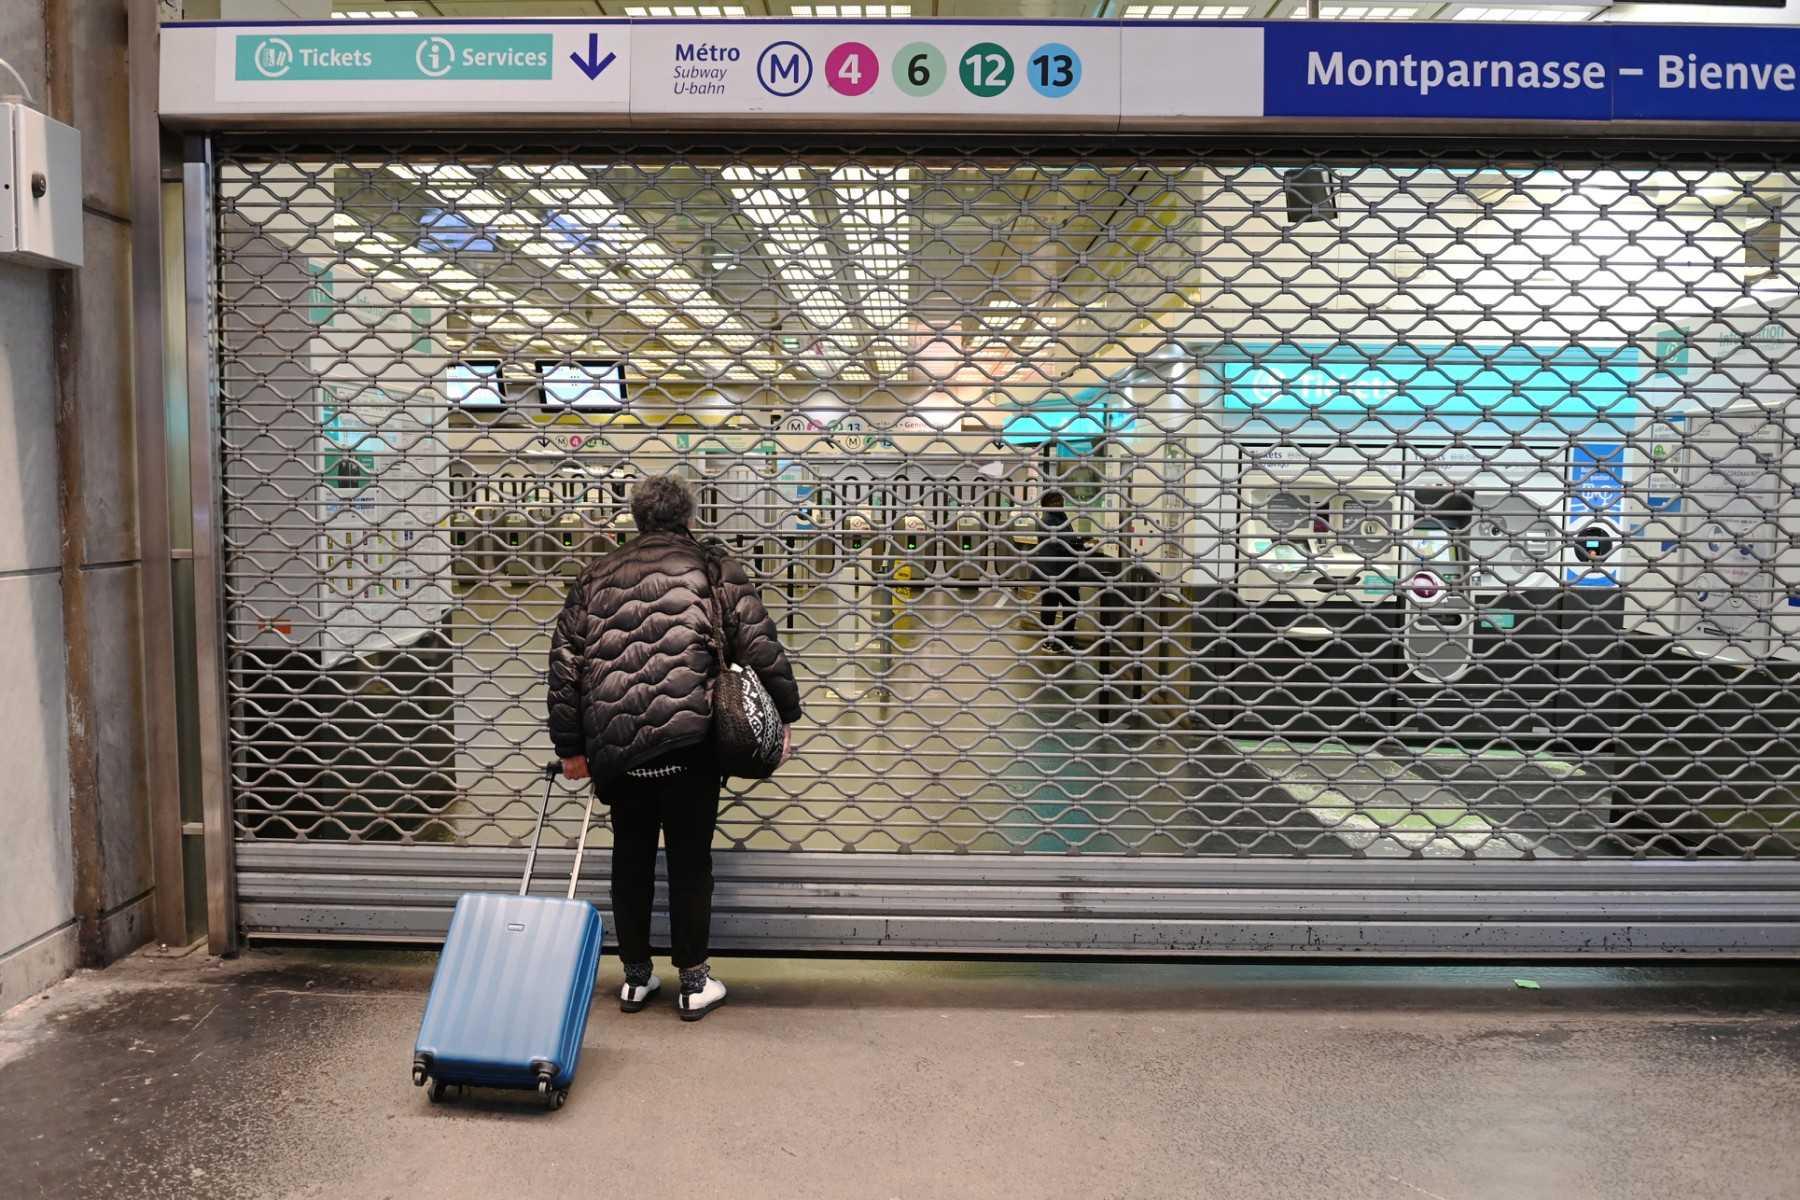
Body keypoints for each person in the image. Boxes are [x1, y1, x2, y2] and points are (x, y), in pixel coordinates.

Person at [547, 475, 802, 1021]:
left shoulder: (594, 575)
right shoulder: (712, 568)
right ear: (689, 516)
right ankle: (693, 983)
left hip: (618, 750)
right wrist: (786, 714)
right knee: (690, 861)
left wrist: (571, 746)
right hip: (691, 742)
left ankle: (636, 979)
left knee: (630, 858)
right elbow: (759, 644)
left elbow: (565, 664)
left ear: (637, 519)